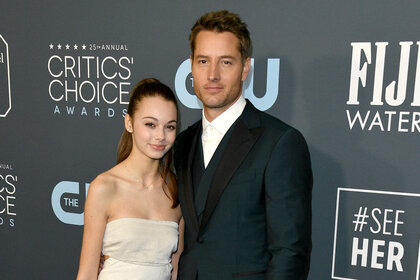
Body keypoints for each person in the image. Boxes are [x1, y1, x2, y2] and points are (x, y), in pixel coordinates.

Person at [174, 10, 312, 279]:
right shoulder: (182, 143)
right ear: (191, 65)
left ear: (245, 68)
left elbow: (290, 251)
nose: (212, 74)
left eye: (225, 62)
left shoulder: (280, 143)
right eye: (203, 61)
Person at [77, 78, 184, 280]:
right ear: (129, 123)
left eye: (169, 127)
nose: (160, 136)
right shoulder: (104, 187)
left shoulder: (177, 190)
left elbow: (176, 269)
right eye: (150, 124)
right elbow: (87, 274)